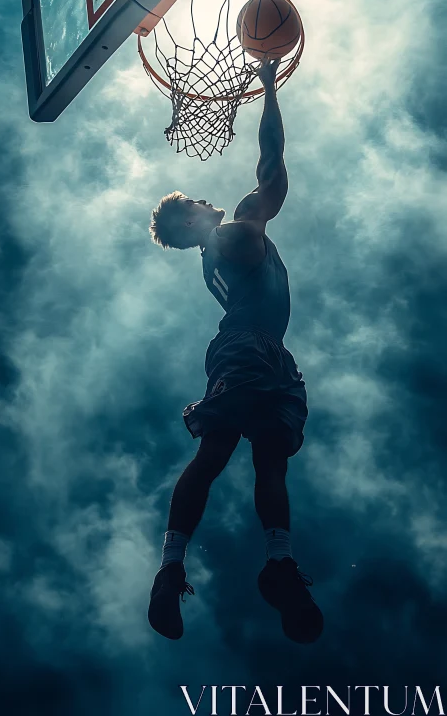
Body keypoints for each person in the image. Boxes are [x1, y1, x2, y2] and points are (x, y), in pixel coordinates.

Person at [147, 59, 323, 644]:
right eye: (194, 201)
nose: (205, 199)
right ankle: (174, 568)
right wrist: (269, 89)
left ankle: (274, 564)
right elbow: (272, 162)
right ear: (189, 223)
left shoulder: (219, 253)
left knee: (267, 457)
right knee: (224, 449)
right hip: (247, 346)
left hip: (266, 352)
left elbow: (272, 175)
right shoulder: (232, 232)